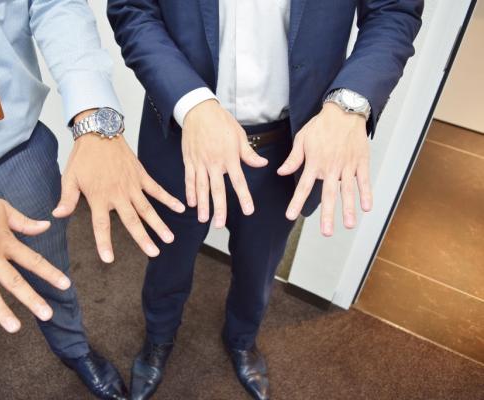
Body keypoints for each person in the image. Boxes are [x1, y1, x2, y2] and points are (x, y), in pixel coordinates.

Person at [107, 1, 424, 399]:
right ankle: (158, 337)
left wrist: (351, 103)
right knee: (167, 257)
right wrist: (191, 101)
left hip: (284, 145)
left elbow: (394, 10)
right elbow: (133, 10)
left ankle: (241, 339)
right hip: (181, 138)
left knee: (259, 266)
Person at [0, 1, 185, 399]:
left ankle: (74, 349)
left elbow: (54, 4)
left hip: (20, 150)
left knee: (54, 277)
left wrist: (93, 117)